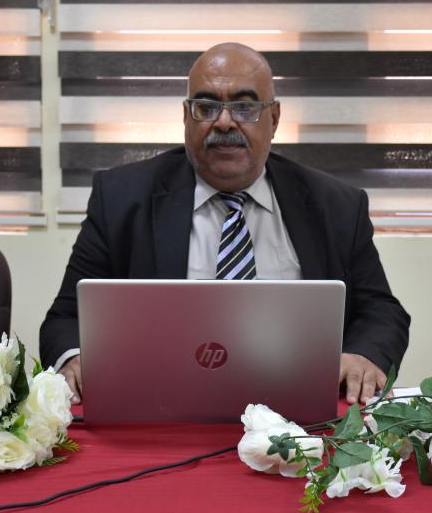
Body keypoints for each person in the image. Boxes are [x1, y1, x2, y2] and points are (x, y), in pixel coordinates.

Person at [40, 43, 410, 405]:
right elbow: (66, 317)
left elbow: (382, 310)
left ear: (274, 118)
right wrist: (75, 358)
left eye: (245, 107)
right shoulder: (121, 198)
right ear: (186, 117)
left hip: (296, 415)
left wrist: (363, 354)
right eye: (206, 107)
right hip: (159, 406)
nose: (224, 122)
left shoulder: (335, 205)